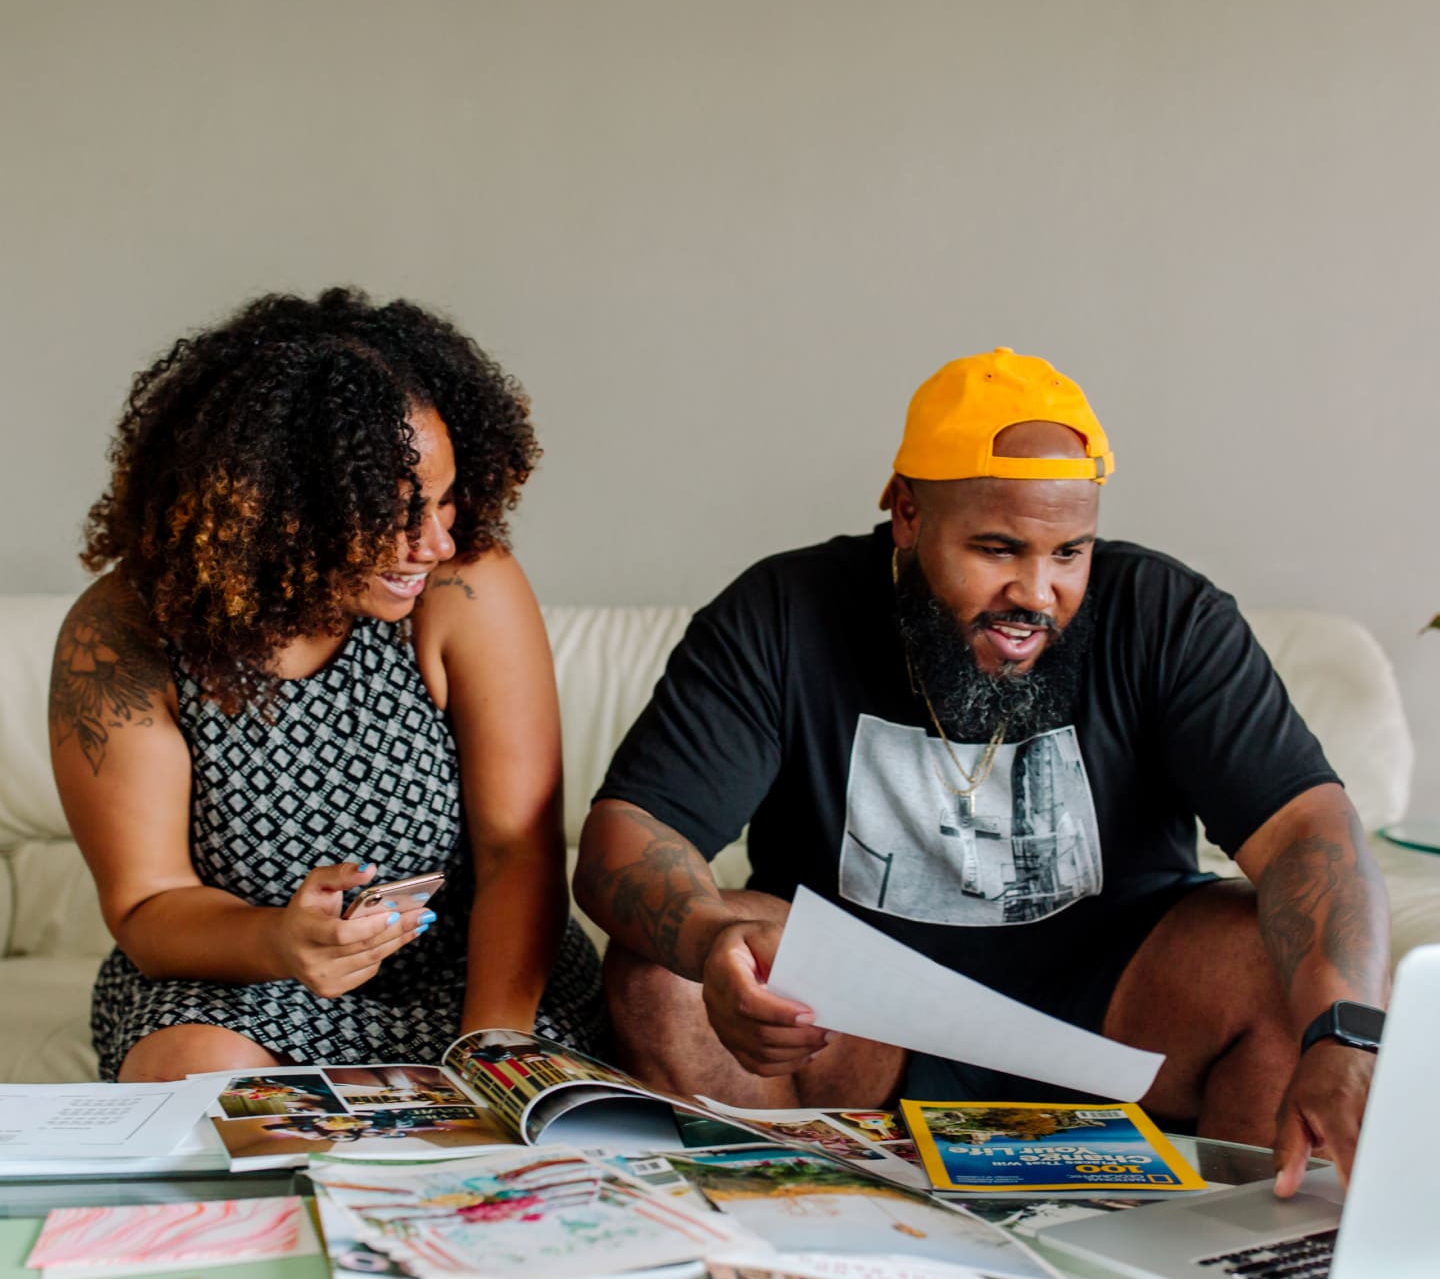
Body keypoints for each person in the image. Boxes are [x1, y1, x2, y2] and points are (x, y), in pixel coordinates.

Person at [575, 347, 1391, 1197]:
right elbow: (632, 832)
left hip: (1122, 1018)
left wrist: (1346, 1036)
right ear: (907, 512)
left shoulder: (1168, 615)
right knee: (661, 971)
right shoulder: (781, 612)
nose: (1037, 594)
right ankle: (784, 1236)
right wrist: (708, 942)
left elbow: (1309, 832)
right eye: (998, 548)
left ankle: (1236, 1271)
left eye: (1069, 553)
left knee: (1285, 963)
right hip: (854, 1032)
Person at [50, 287, 604, 1081]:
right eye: (397, 512)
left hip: (474, 976)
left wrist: (488, 1053)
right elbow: (147, 903)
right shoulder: (123, 635)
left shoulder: (463, 590)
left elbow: (518, 852)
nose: (434, 541)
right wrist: (280, 941)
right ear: (276, 506)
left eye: (446, 502)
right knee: (198, 1078)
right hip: (240, 981)